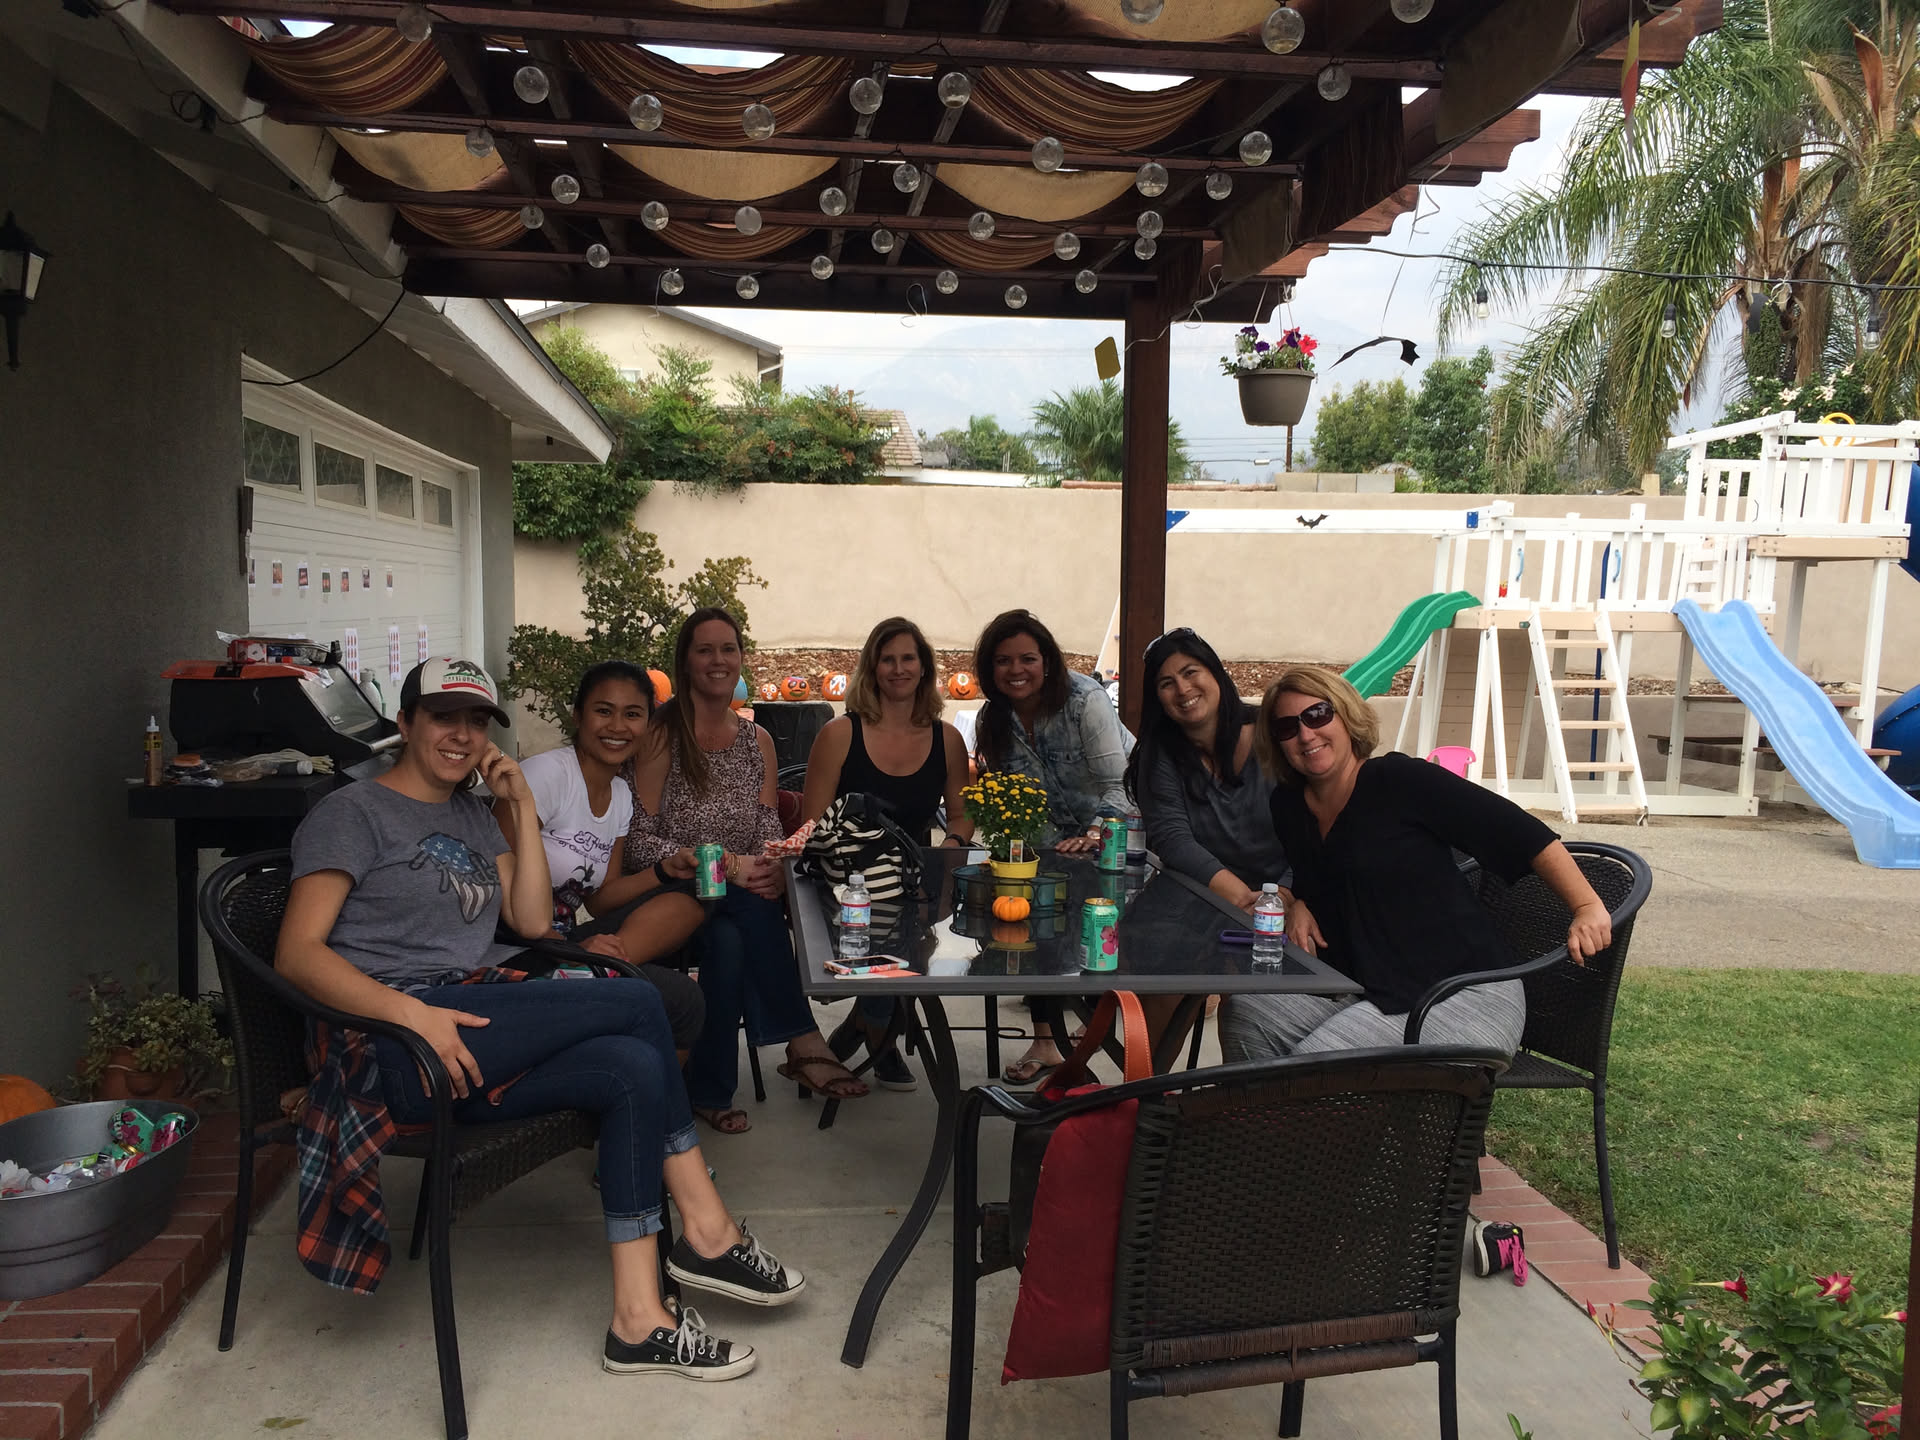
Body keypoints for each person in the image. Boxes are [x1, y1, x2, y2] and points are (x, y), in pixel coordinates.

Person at [278, 657, 802, 1382]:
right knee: (637, 1000)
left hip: (471, 1019)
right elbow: (298, 954)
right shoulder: (352, 813)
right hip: (393, 1043)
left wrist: (519, 805)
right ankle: (707, 1229)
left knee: (632, 1066)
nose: (461, 736)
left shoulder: (471, 813)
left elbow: (528, 919)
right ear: (404, 723)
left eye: (475, 722)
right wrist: (409, 1013)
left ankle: (639, 1321)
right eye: (443, 718)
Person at [1218, 665, 1614, 1060]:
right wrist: (1298, 902)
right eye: (1287, 727)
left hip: (1461, 992)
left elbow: (1523, 834)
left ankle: (1306, 1102)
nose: (1305, 734)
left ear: (1347, 716)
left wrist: (1586, 906)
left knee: (1318, 1064)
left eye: (1318, 715)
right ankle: (1265, 1103)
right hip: (1366, 989)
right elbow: (1322, 874)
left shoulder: (1401, 781)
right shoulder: (1288, 806)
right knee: (1247, 1013)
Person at [626, 608, 866, 1134]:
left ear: (740, 659)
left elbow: (765, 827)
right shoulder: (662, 736)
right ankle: (802, 1038)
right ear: (685, 661)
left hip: (737, 899)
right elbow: (639, 842)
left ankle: (709, 1093)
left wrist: (772, 868)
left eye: (728, 649)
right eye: (704, 649)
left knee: (732, 939)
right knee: (744, 904)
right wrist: (727, 865)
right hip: (670, 893)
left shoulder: (757, 741)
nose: (718, 660)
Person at [800, 616, 974, 1091]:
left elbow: (961, 815)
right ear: (872, 669)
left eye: (908, 658)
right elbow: (812, 825)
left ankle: (865, 1026)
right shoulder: (840, 734)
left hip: (918, 875)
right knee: (892, 930)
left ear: (924, 668)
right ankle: (882, 1040)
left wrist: (951, 851)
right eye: (887, 659)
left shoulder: (947, 739)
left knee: (919, 927)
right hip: (845, 877)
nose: (898, 669)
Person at [503, 661, 706, 1055]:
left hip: (563, 944)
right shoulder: (547, 775)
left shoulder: (620, 796)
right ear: (578, 715)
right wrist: (573, 949)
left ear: (647, 724)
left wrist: (665, 870)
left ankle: (596, 969)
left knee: (695, 892)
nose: (617, 726)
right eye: (603, 711)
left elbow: (600, 899)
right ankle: (593, 969)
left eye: (632, 714)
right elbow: (492, 886)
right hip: (514, 945)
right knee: (680, 1000)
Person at [970, 608, 1131, 1083]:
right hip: (1052, 845)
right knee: (1032, 910)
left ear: (1047, 661)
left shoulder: (1085, 700)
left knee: (1105, 933)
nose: (1016, 670)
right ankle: (1047, 1041)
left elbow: (1119, 786)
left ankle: (1098, 1019)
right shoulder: (993, 720)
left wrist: (1095, 834)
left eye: (1027, 658)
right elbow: (1010, 802)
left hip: (1119, 828)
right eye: (1003, 661)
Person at [1122, 628, 1291, 1053]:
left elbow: (1313, 825)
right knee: (1160, 974)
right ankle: (1146, 1087)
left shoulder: (1273, 732)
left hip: (1284, 889)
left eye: (1190, 672)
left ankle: (1249, 1086)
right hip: (1198, 889)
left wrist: (1282, 895)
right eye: (1166, 682)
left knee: (1256, 1001)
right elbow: (1172, 839)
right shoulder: (1161, 750)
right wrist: (1244, 900)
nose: (1183, 689)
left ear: (1216, 673)